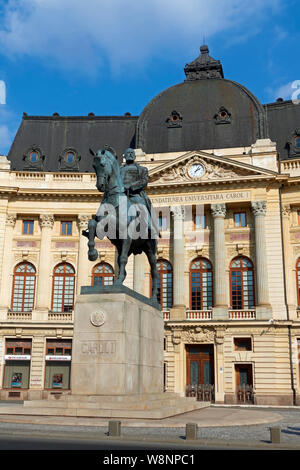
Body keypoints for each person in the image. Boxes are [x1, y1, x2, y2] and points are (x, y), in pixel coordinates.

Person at [120, 148, 160, 237]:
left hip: (134, 193)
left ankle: (150, 227)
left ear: (134, 156)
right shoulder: (119, 169)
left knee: (141, 204)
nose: (130, 154)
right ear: (125, 156)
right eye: (128, 153)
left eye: (131, 153)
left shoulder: (142, 169)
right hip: (121, 195)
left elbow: (144, 181)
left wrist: (131, 187)